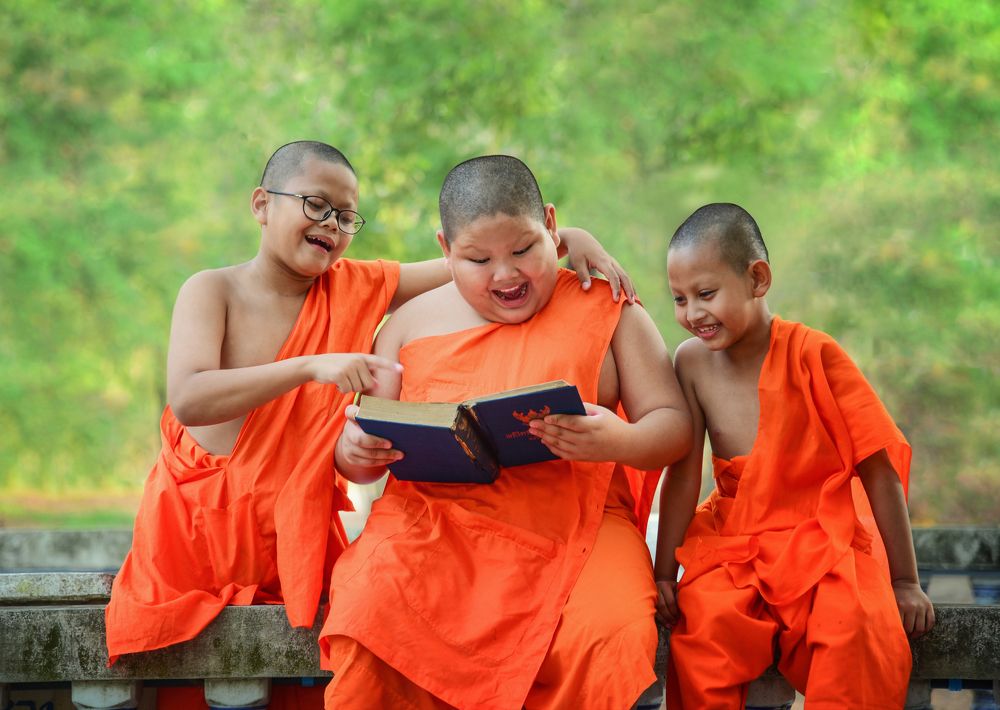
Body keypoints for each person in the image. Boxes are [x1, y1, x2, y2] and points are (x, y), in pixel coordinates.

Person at [102, 141, 632, 705]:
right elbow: (190, 398)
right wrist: (308, 366)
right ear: (261, 204)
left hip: (293, 534)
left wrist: (570, 238)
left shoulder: (357, 285)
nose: (330, 223)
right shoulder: (212, 289)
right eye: (314, 204)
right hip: (196, 528)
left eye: (345, 214)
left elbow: (474, 258)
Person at [320, 154, 692, 709]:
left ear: (550, 225)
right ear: (446, 250)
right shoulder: (408, 323)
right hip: (436, 527)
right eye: (478, 258)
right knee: (368, 611)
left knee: (610, 634)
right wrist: (355, 451)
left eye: (523, 250)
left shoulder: (606, 304)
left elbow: (674, 426)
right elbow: (364, 452)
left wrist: (618, 440)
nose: (506, 274)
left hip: (579, 525)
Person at [654, 203, 935, 708]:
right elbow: (682, 474)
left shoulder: (813, 353)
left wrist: (905, 580)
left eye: (706, 294)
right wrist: (662, 572)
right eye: (679, 298)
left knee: (856, 627)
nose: (692, 313)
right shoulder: (690, 362)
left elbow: (878, 470)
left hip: (820, 535)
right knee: (703, 625)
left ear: (757, 279)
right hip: (735, 537)